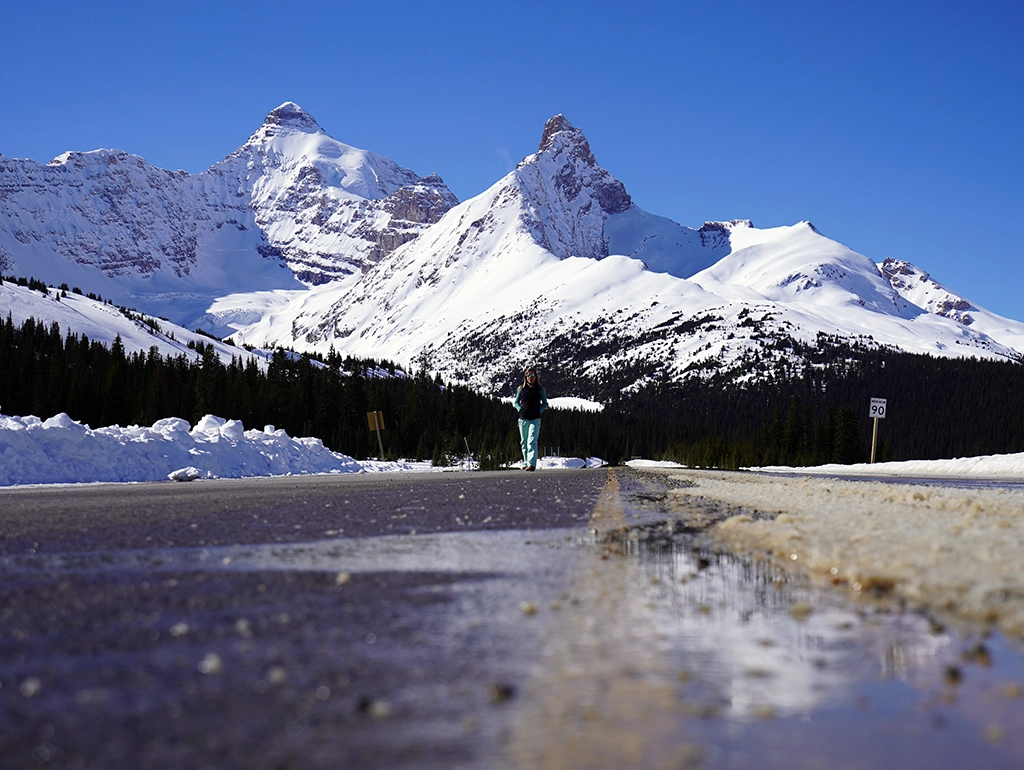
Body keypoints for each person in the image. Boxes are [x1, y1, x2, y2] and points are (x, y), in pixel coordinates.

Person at [514, 366, 548, 471]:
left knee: (532, 440)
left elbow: (545, 404)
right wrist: (519, 409)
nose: (530, 377)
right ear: (525, 377)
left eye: (532, 375)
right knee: (524, 442)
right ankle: (526, 462)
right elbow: (516, 402)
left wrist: (539, 411)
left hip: (535, 418)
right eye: (528, 375)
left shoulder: (540, 389)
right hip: (523, 418)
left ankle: (532, 464)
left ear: (535, 376)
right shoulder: (521, 389)